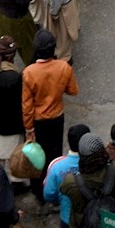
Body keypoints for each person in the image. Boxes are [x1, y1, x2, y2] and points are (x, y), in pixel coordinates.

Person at [23, 27, 79, 162]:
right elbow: (73, 90)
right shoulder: (64, 67)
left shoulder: (29, 72)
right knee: (55, 152)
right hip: (57, 117)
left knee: (38, 155)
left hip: (38, 120)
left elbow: (27, 106)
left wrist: (29, 128)